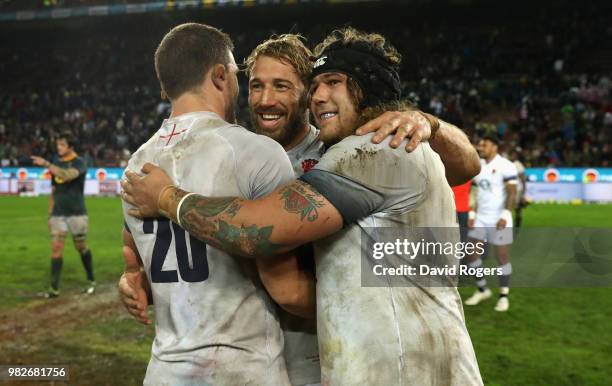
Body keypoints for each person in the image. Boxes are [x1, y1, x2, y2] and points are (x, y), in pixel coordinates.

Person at [122, 27, 483, 385]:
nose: (265, 99)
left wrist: (429, 124)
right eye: (257, 85)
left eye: (283, 86)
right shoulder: (242, 152)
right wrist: (143, 280)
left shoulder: (358, 150)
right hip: (327, 360)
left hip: (347, 359)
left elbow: (467, 165)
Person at [121, 23, 309, 385]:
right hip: (242, 369)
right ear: (221, 76)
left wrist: (131, 281)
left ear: (165, 86)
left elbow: (135, 263)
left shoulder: (135, 165)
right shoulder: (255, 152)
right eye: (240, 76)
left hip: (165, 370)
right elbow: (286, 289)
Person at [31, 131, 95, 298]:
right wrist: (50, 214)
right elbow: (54, 190)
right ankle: (54, 288)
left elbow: (66, 176)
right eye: (58, 144)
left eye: (62, 145)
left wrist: (45, 163)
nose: (58, 148)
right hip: (58, 214)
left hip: (77, 213)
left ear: (70, 147)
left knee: (80, 246)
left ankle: (91, 279)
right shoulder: (56, 163)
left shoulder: (80, 163)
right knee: (57, 248)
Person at [464, 134, 518, 312]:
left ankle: (503, 296)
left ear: (495, 147)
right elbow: (474, 190)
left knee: (501, 257)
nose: (480, 148)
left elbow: (512, 192)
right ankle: (482, 289)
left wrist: (505, 214)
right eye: (480, 145)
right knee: (471, 254)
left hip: (499, 219)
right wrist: (472, 213)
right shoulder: (477, 165)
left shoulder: (506, 166)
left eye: (484, 145)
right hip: (481, 218)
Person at [509, 147, 528, 228]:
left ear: (516, 156)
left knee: (517, 207)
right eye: (511, 155)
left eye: (514, 155)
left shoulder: (518, 165)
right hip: (509, 189)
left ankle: (517, 222)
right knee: (509, 207)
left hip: (517, 189)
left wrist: (523, 193)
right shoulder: (507, 164)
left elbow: (523, 179)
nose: (512, 156)